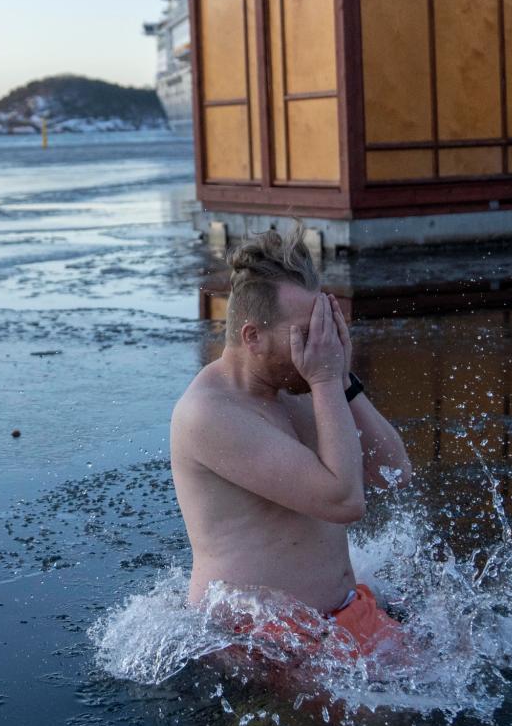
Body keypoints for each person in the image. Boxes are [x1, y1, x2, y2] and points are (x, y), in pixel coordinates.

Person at [170, 227, 412, 662]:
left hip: (336, 619)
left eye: (325, 328)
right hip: (259, 641)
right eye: (306, 332)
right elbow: (344, 501)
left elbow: (392, 473)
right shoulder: (209, 414)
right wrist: (323, 379)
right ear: (252, 338)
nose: (321, 344)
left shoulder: (292, 386)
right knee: (406, 723)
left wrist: (342, 380)